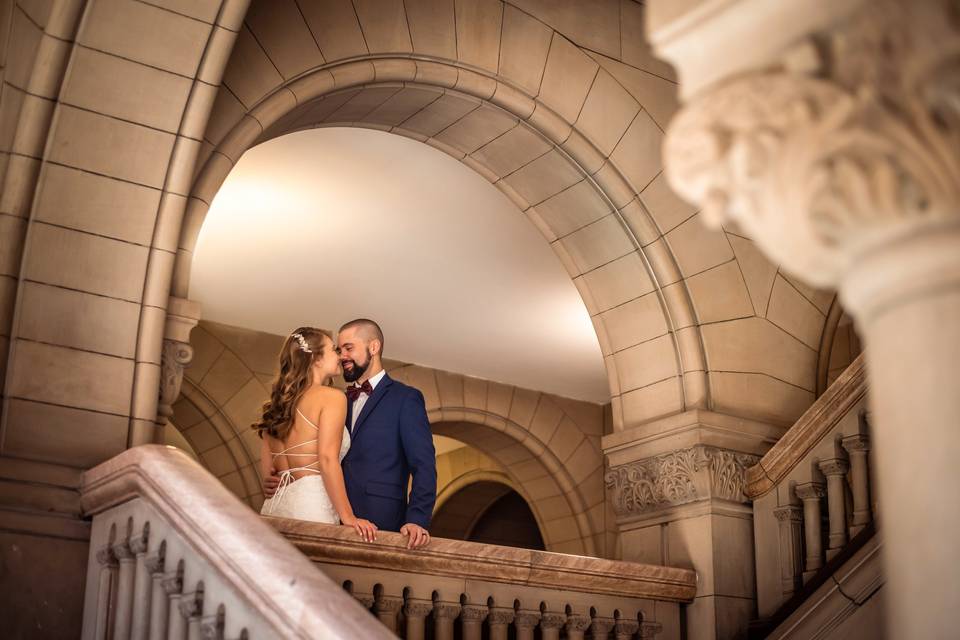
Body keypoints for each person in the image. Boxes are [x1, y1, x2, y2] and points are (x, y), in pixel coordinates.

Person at [264, 319, 437, 549]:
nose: (342, 355)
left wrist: (417, 519)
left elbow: (423, 464)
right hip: (328, 511)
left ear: (373, 348)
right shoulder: (335, 398)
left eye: (348, 348)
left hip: (380, 521)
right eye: (338, 349)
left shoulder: (405, 399)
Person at [253, 327, 378, 543]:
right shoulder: (331, 398)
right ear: (316, 359)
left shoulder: (275, 407)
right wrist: (348, 517)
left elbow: (269, 475)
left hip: (273, 509)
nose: (339, 356)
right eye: (333, 350)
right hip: (310, 506)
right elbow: (327, 459)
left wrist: (270, 482)